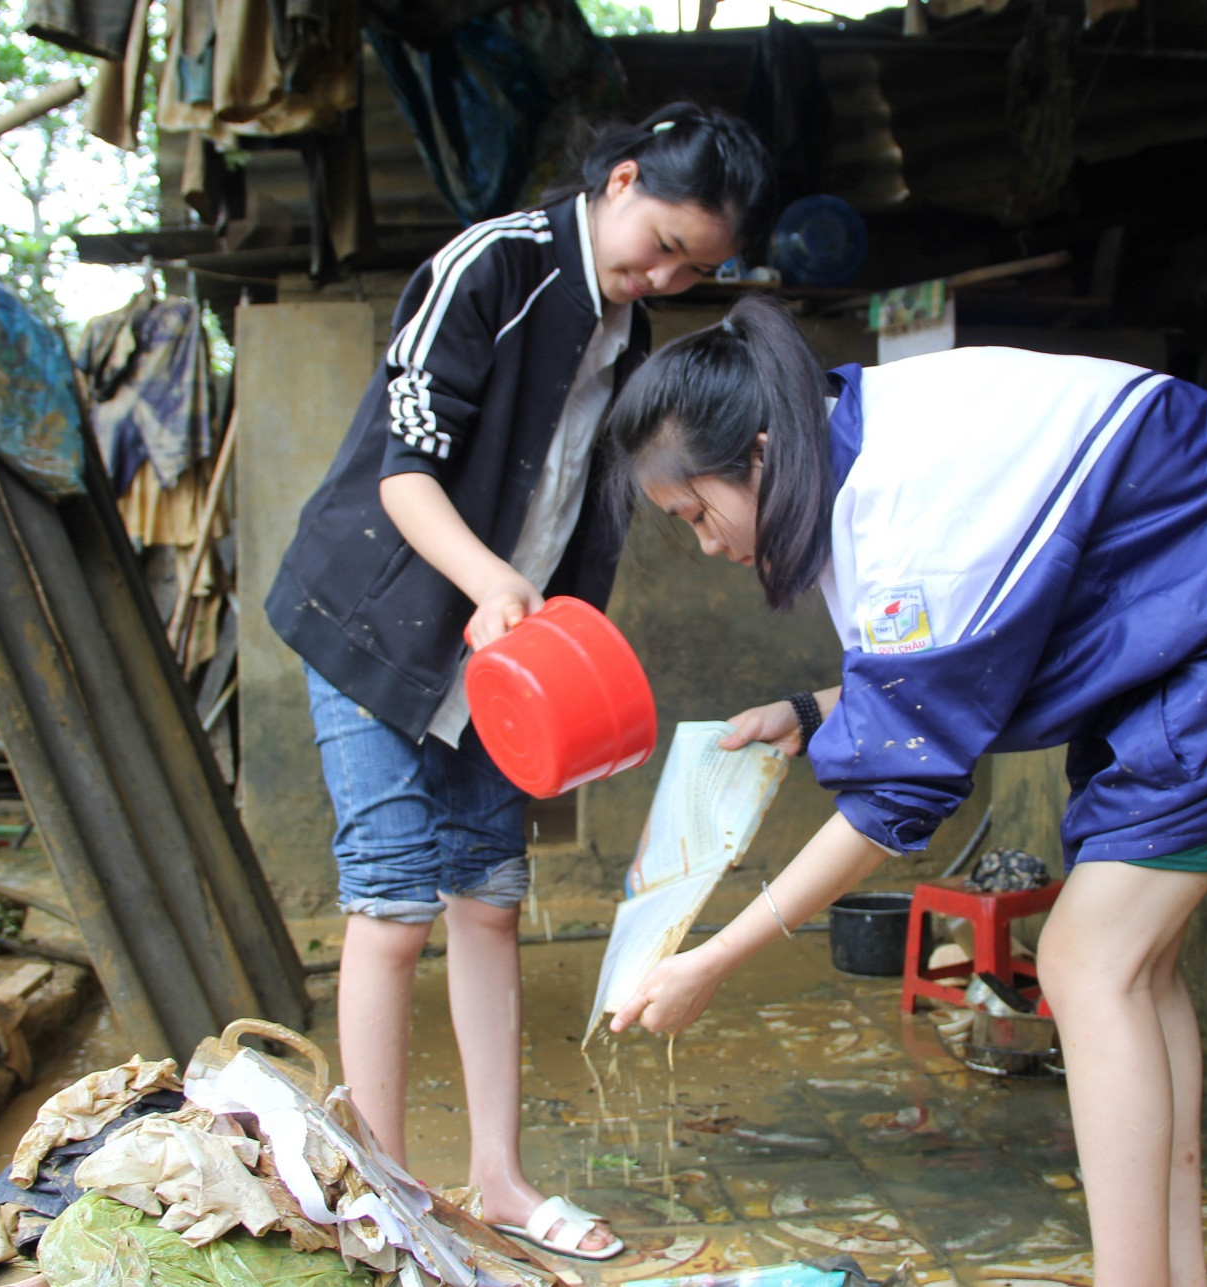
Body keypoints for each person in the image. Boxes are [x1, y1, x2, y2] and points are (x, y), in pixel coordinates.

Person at [602, 297, 1207, 1287]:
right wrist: (817, 708)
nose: (704, 545)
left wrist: (711, 959)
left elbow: (892, 797)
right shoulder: (854, 431)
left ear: (762, 452)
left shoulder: (900, 499)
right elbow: (964, 651)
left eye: (697, 513)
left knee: (1088, 963)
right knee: (1133, 970)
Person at [267, 107, 773, 1261]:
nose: (662, 273)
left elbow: (578, 512)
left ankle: (496, 1179)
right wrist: (494, 585)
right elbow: (404, 476)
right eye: (658, 243)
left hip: (510, 655)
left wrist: (543, 627)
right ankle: (384, 1195)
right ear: (621, 177)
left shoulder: (627, 337)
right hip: (379, 623)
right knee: (391, 905)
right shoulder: (489, 267)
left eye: (691, 266)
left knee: (489, 899)